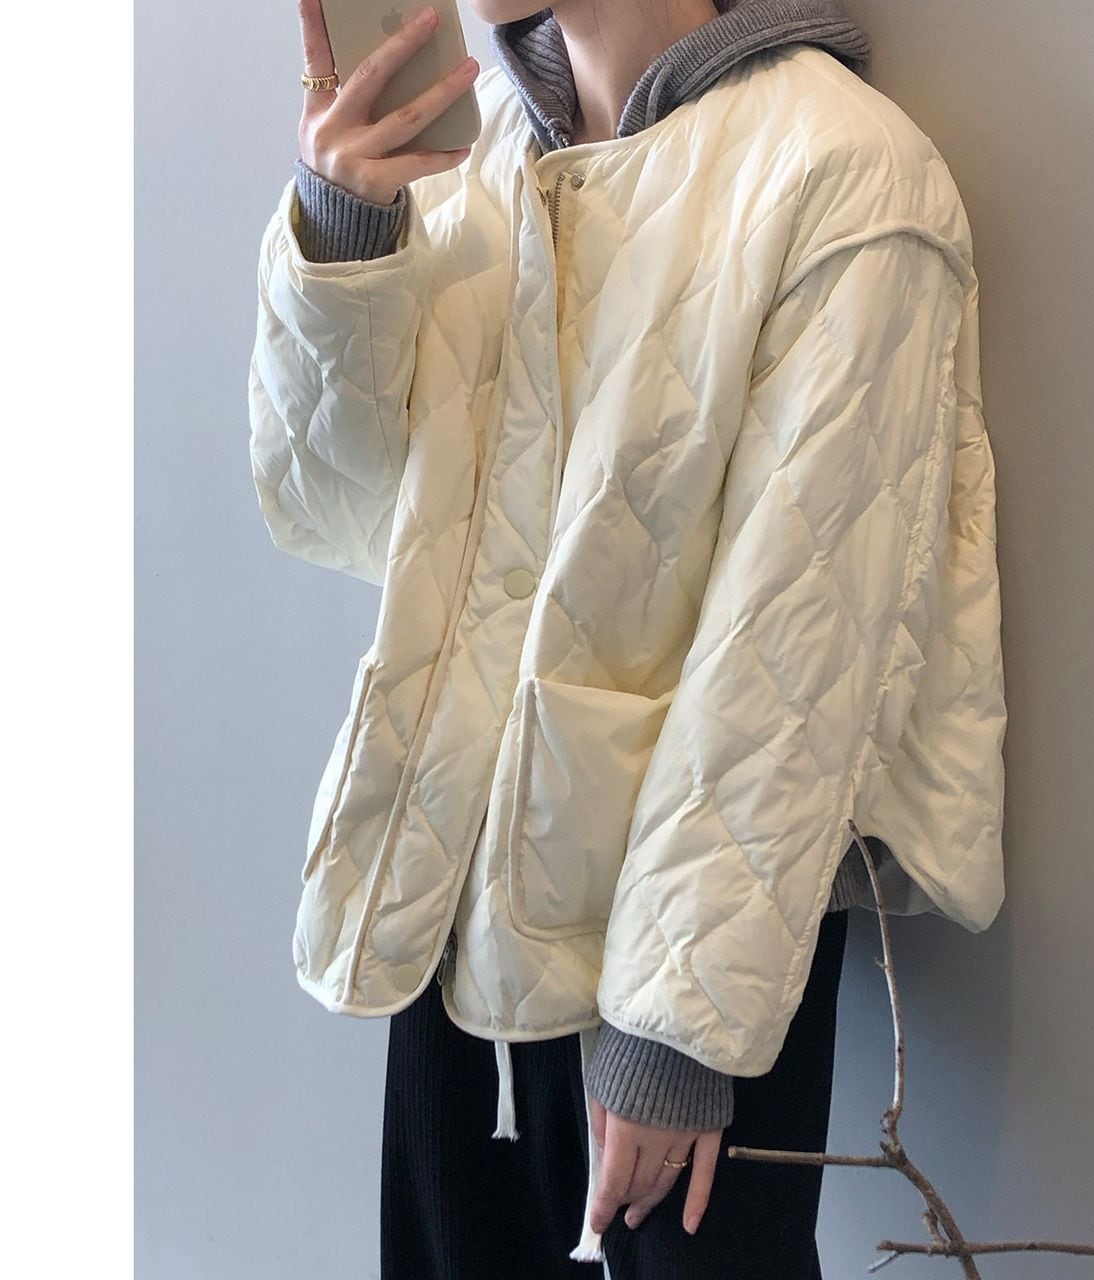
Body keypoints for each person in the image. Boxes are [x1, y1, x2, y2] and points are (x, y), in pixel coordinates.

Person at [247, 1, 1008, 1276]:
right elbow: (353, 515)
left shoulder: (844, 172)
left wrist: (675, 1031)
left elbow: (796, 648)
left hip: (697, 957)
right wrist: (344, 231)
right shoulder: (477, 156)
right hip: (451, 901)